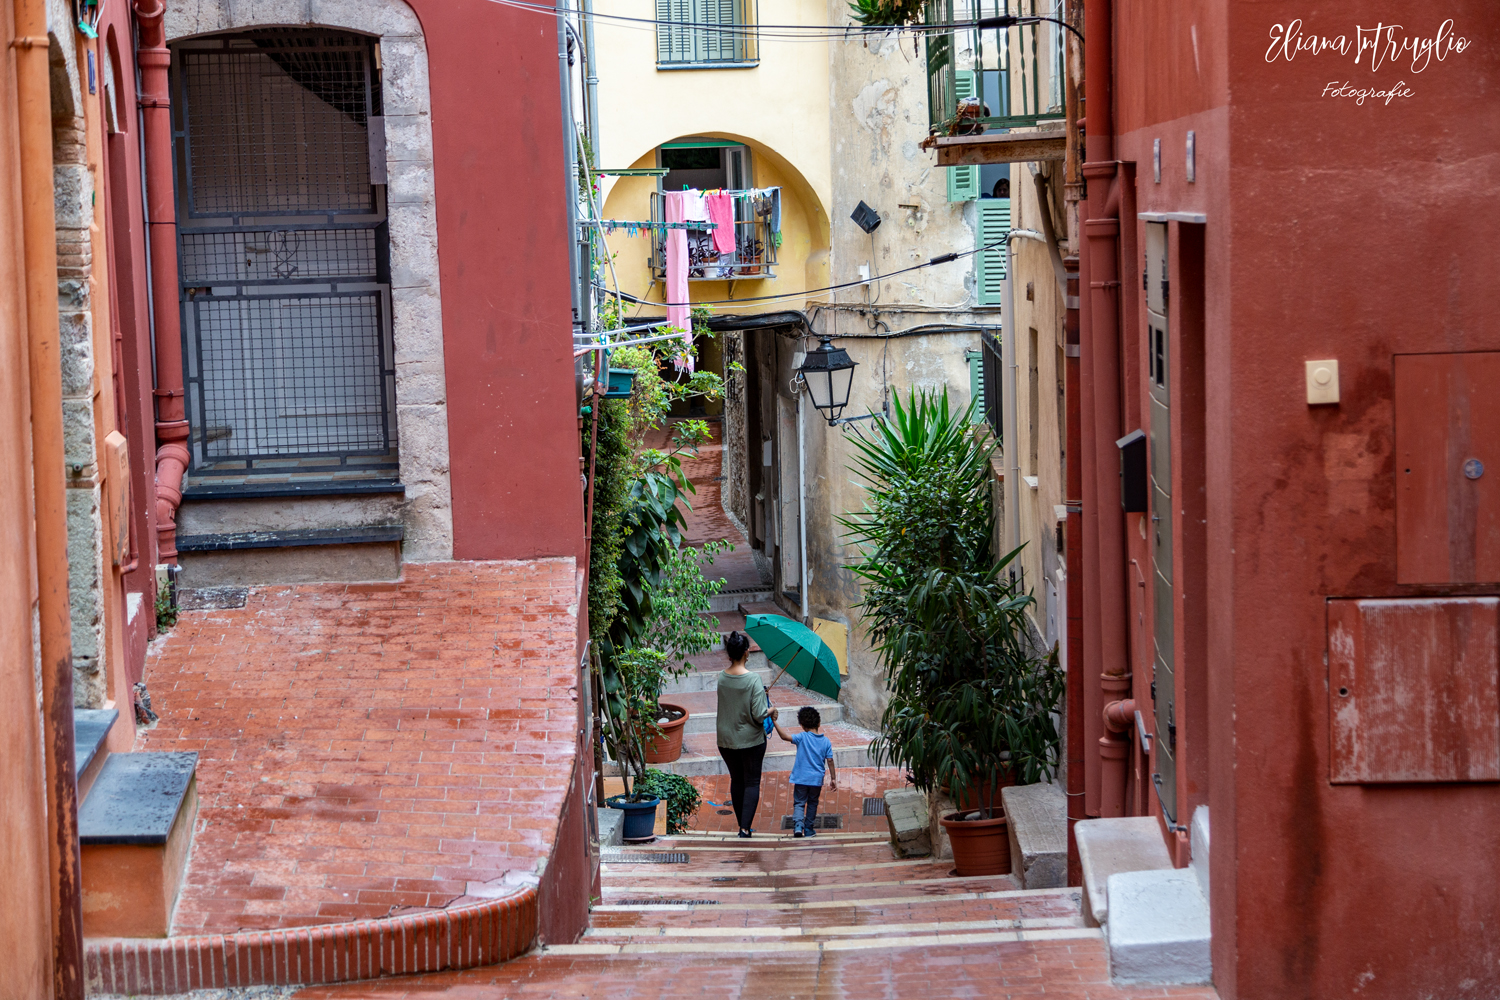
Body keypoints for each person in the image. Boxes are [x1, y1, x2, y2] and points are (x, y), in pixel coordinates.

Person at [715, 631, 772, 838]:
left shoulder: (722, 677)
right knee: (751, 781)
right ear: (747, 653)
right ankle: (745, 828)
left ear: (730, 654)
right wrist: (771, 710)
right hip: (750, 741)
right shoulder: (753, 680)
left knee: (737, 780)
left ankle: (743, 824)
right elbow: (758, 715)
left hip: (726, 740)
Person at [771, 705, 837, 837]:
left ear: (802, 725)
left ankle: (798, 826)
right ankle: (808, 829)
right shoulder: (826, 742)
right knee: (812, 802)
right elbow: (830, 760)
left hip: (801, 778)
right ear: (819, 722)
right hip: (816, 780)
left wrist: (774, 722)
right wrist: (833, 778)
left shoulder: (802, 737)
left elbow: (785, 737)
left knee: (799, 802)